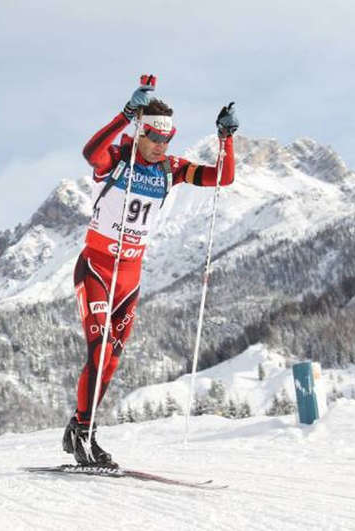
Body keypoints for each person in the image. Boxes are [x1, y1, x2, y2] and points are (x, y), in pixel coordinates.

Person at [63, 76, 239, 467]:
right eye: (156, 139)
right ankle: (86, 436)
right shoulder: (116, 159)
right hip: (96, 267)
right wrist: (125, 114)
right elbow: (90, 151)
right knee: (98, 350)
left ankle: (78, 425)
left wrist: (225, 138)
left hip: (130, 276)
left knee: (111, 361)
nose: (163, 147)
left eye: (168, 140)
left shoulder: (170, 169)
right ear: (141, 134)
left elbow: (221, 178)